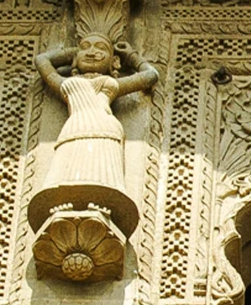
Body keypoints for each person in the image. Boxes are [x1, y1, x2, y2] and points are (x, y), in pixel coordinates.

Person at [32, 39, 158, 234]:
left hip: (104, 127)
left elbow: (150, 76)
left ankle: (100, 205)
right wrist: (72, 52)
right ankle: (65, 202)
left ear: (114, 62)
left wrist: (130, 56)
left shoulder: (110, 84)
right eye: (85, 48)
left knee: (100, 166)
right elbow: (42, 60)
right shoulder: (68, 84)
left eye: (100, 48)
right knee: (68, 164)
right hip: (75, 127)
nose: (91, 52)